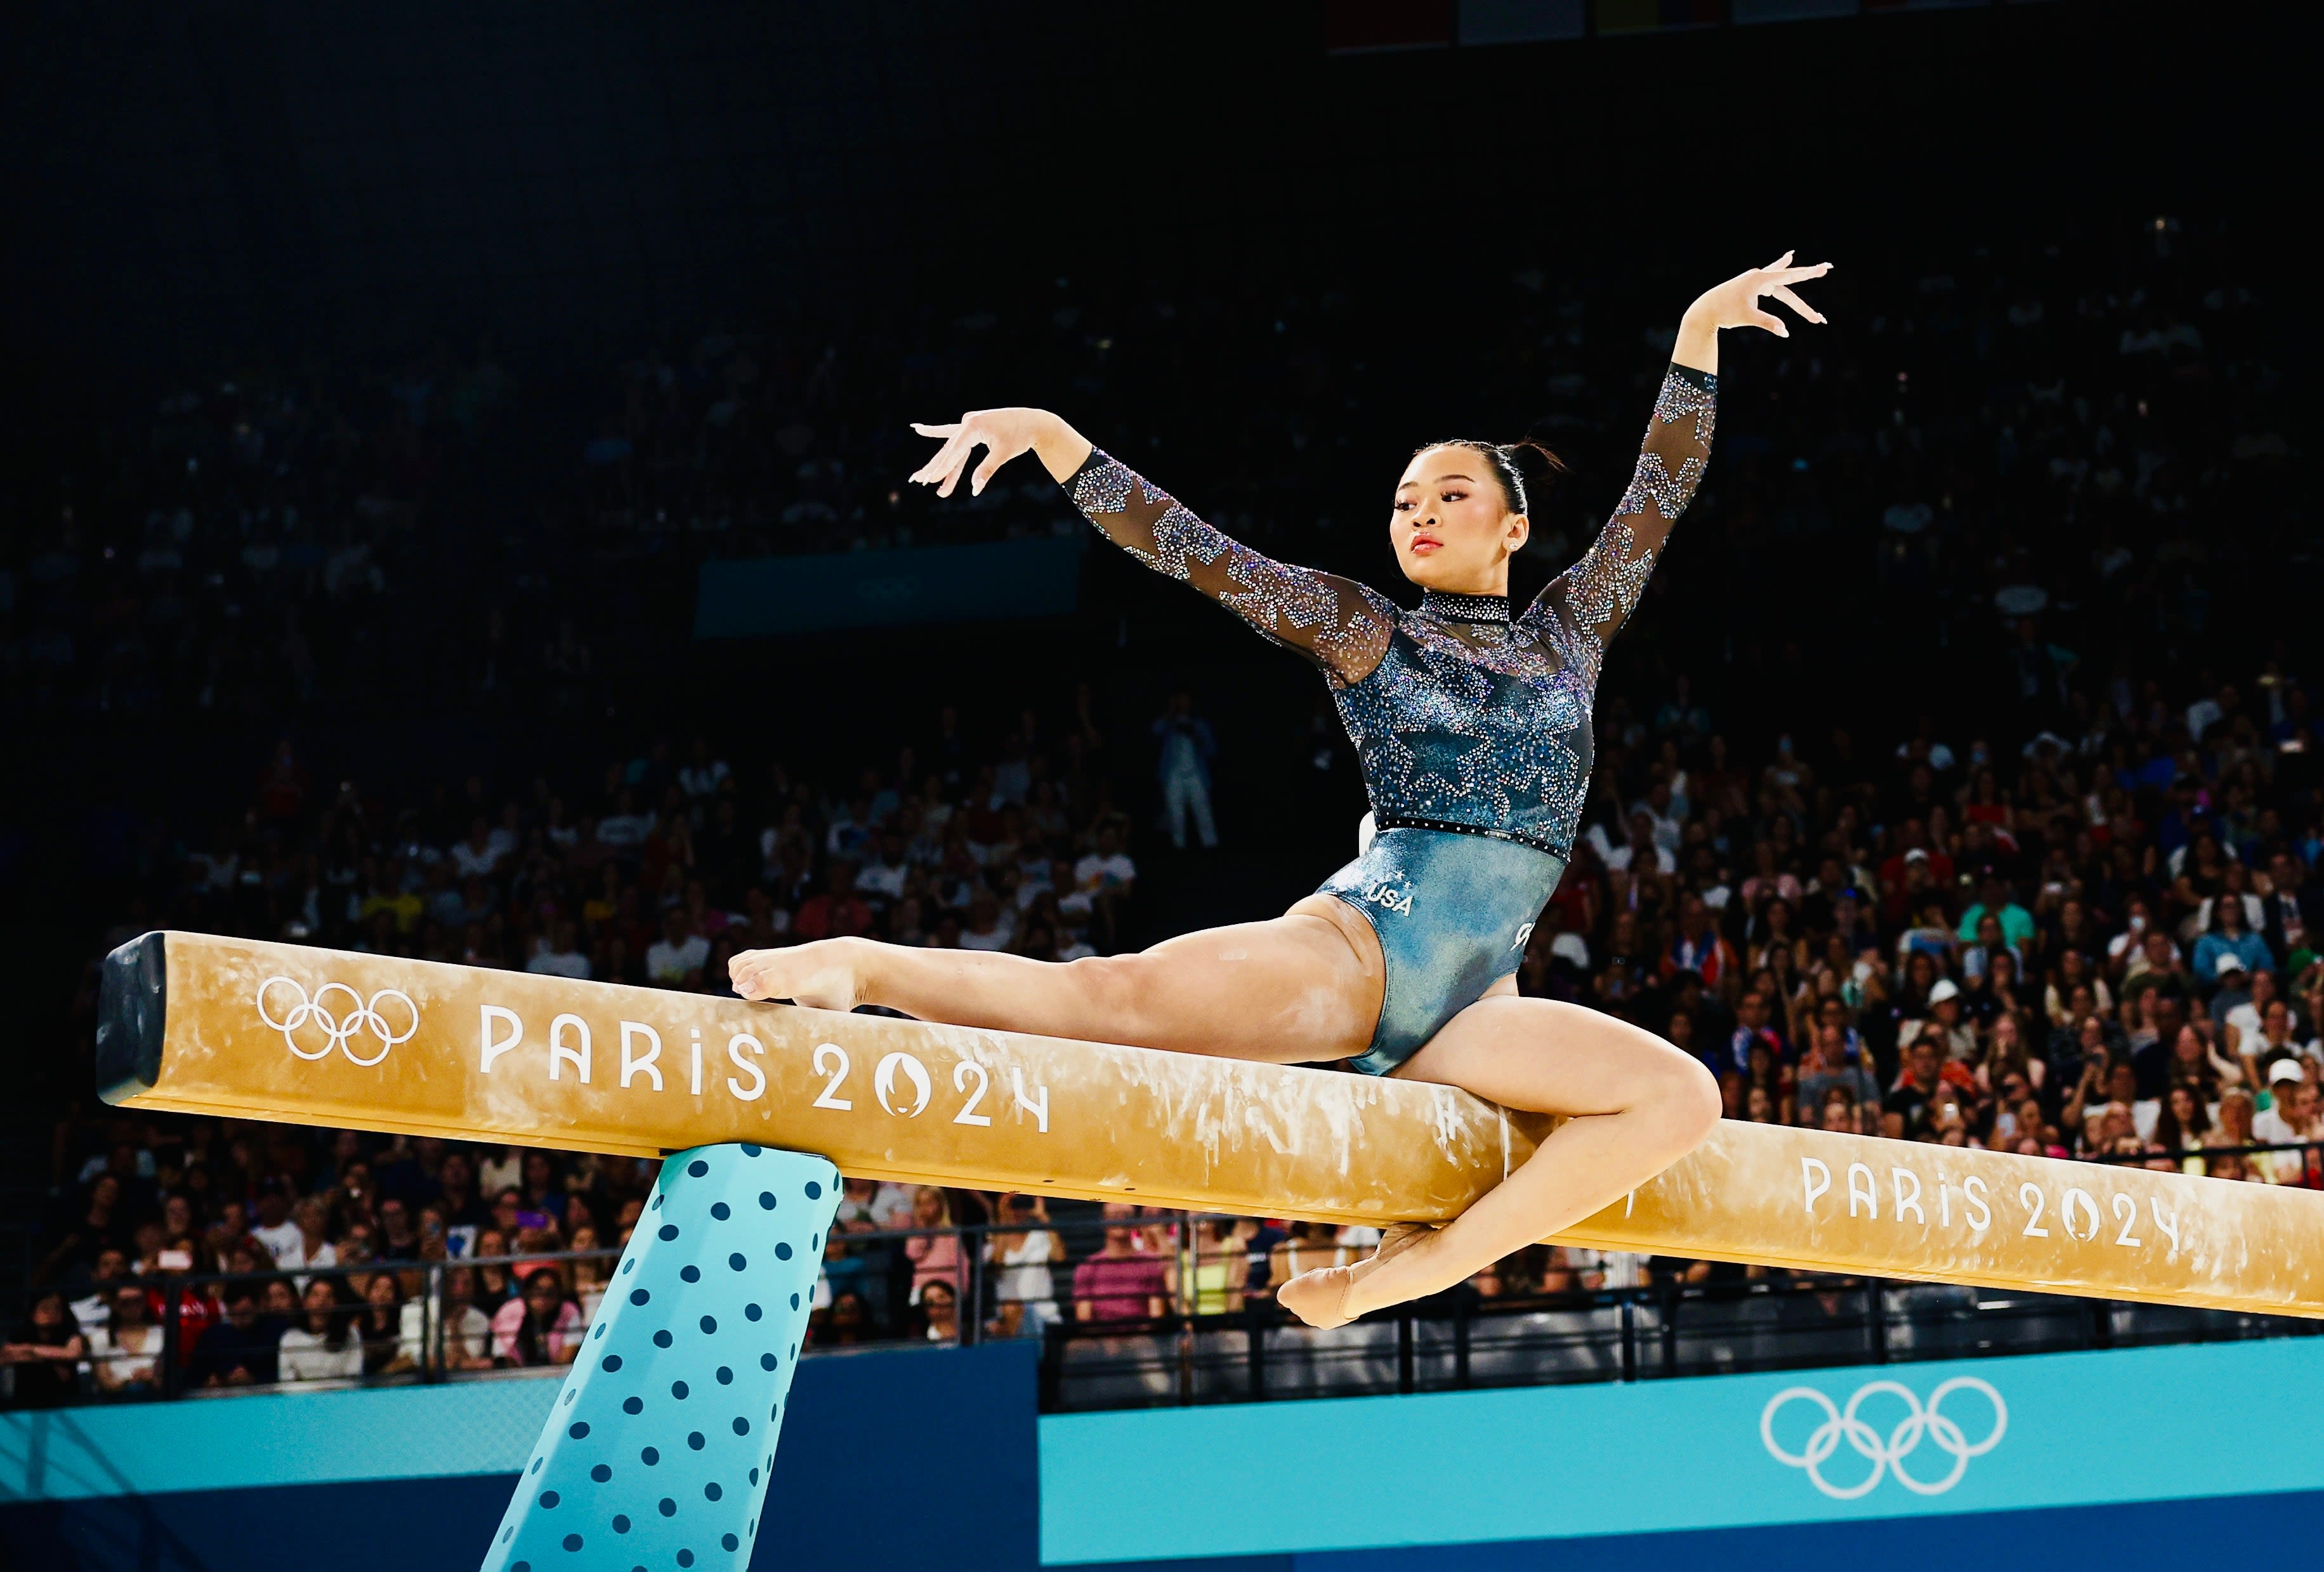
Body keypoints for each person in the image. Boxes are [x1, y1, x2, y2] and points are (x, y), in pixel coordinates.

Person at [733, 255, 1831, 1328]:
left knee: (1679, 1097)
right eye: (1405, 500)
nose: (1421, 513)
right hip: (1360, 954)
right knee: (1109, 1006)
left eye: (1452, 494)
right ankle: (863, 966)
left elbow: (1657, 496)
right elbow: (1202, 556)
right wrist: (1052, 439)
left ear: (1514, 526)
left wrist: (1696, 331)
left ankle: (1404, 1275)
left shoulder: (1571, 632)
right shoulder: (1367, 631)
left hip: (1478, 999)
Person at [3, 1291, 89, 1408]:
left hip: (64, 1401)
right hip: (25, 1400)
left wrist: (31, 1350)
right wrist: (51, 1356)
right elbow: (8, 1354)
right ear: (33, 1313)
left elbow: (73, 1353)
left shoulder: (69, 1333)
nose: (51, 1314)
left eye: (57, 1309)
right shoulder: (20, 1334)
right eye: (45, 1309)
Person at [494, 1267, 583, 1366]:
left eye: (550, 1292)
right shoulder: (510, 1310)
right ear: (528, 1291)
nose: (543, 1296)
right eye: (538, 1289)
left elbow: (566, 1359)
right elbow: (502, 1357)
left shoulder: (569, 1311)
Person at [279, 1277, 364, 1382]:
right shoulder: (290, 1338)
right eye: (316, 1295)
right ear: (305, 1302)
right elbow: (287, 1381)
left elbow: (353, 1378)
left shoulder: (351, 1334)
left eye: (328, 1296)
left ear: (336, 1303)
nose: (321, 1302)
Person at [88, 1284, 162, 1396]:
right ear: (115, 1304)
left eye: (137, 1301)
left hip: (155, 1397)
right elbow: (104, 1382)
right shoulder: (101, 1337)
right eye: (125, 1303)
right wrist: (129, 1381)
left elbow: (168, 1380)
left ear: (145, 1302)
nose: (132, 1307)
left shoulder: (161, 1334)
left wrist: (152, 1377)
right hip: (116, 1400)